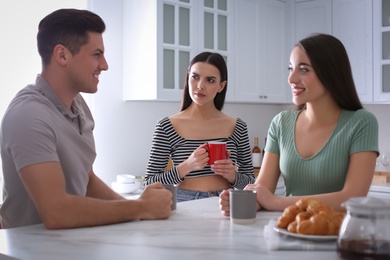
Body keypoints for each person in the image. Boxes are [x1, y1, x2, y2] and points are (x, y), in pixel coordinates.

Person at [0, 8, 172, 229]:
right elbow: (57, 212)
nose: (105, 65)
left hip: (71, 246)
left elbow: (87, 180)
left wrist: (139, 206)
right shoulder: (28, 115)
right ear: (62, 55)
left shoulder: (78, 106)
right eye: (96, 54)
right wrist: (140, 208)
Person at [219, 33, 379, 215]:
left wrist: (276, 202)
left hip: (337, 236)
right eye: (290, 69)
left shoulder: (361, 122)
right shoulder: (281, 123)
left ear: (330, 72)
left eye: (303, 70)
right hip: (289, 230)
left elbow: (352, 198)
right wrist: (244, 200)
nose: (291, 79)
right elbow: (262, 191)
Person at [144, 52, 255, 202]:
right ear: (188, 78)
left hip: (226, 202)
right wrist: (186, 166)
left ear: (221, 86)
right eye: (195, 77)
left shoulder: (238, 127)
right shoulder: (167, 126)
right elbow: (149, 183)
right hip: (185, 202)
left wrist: (232, 176)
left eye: (210, 80)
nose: (200, 85)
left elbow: (251, 183)